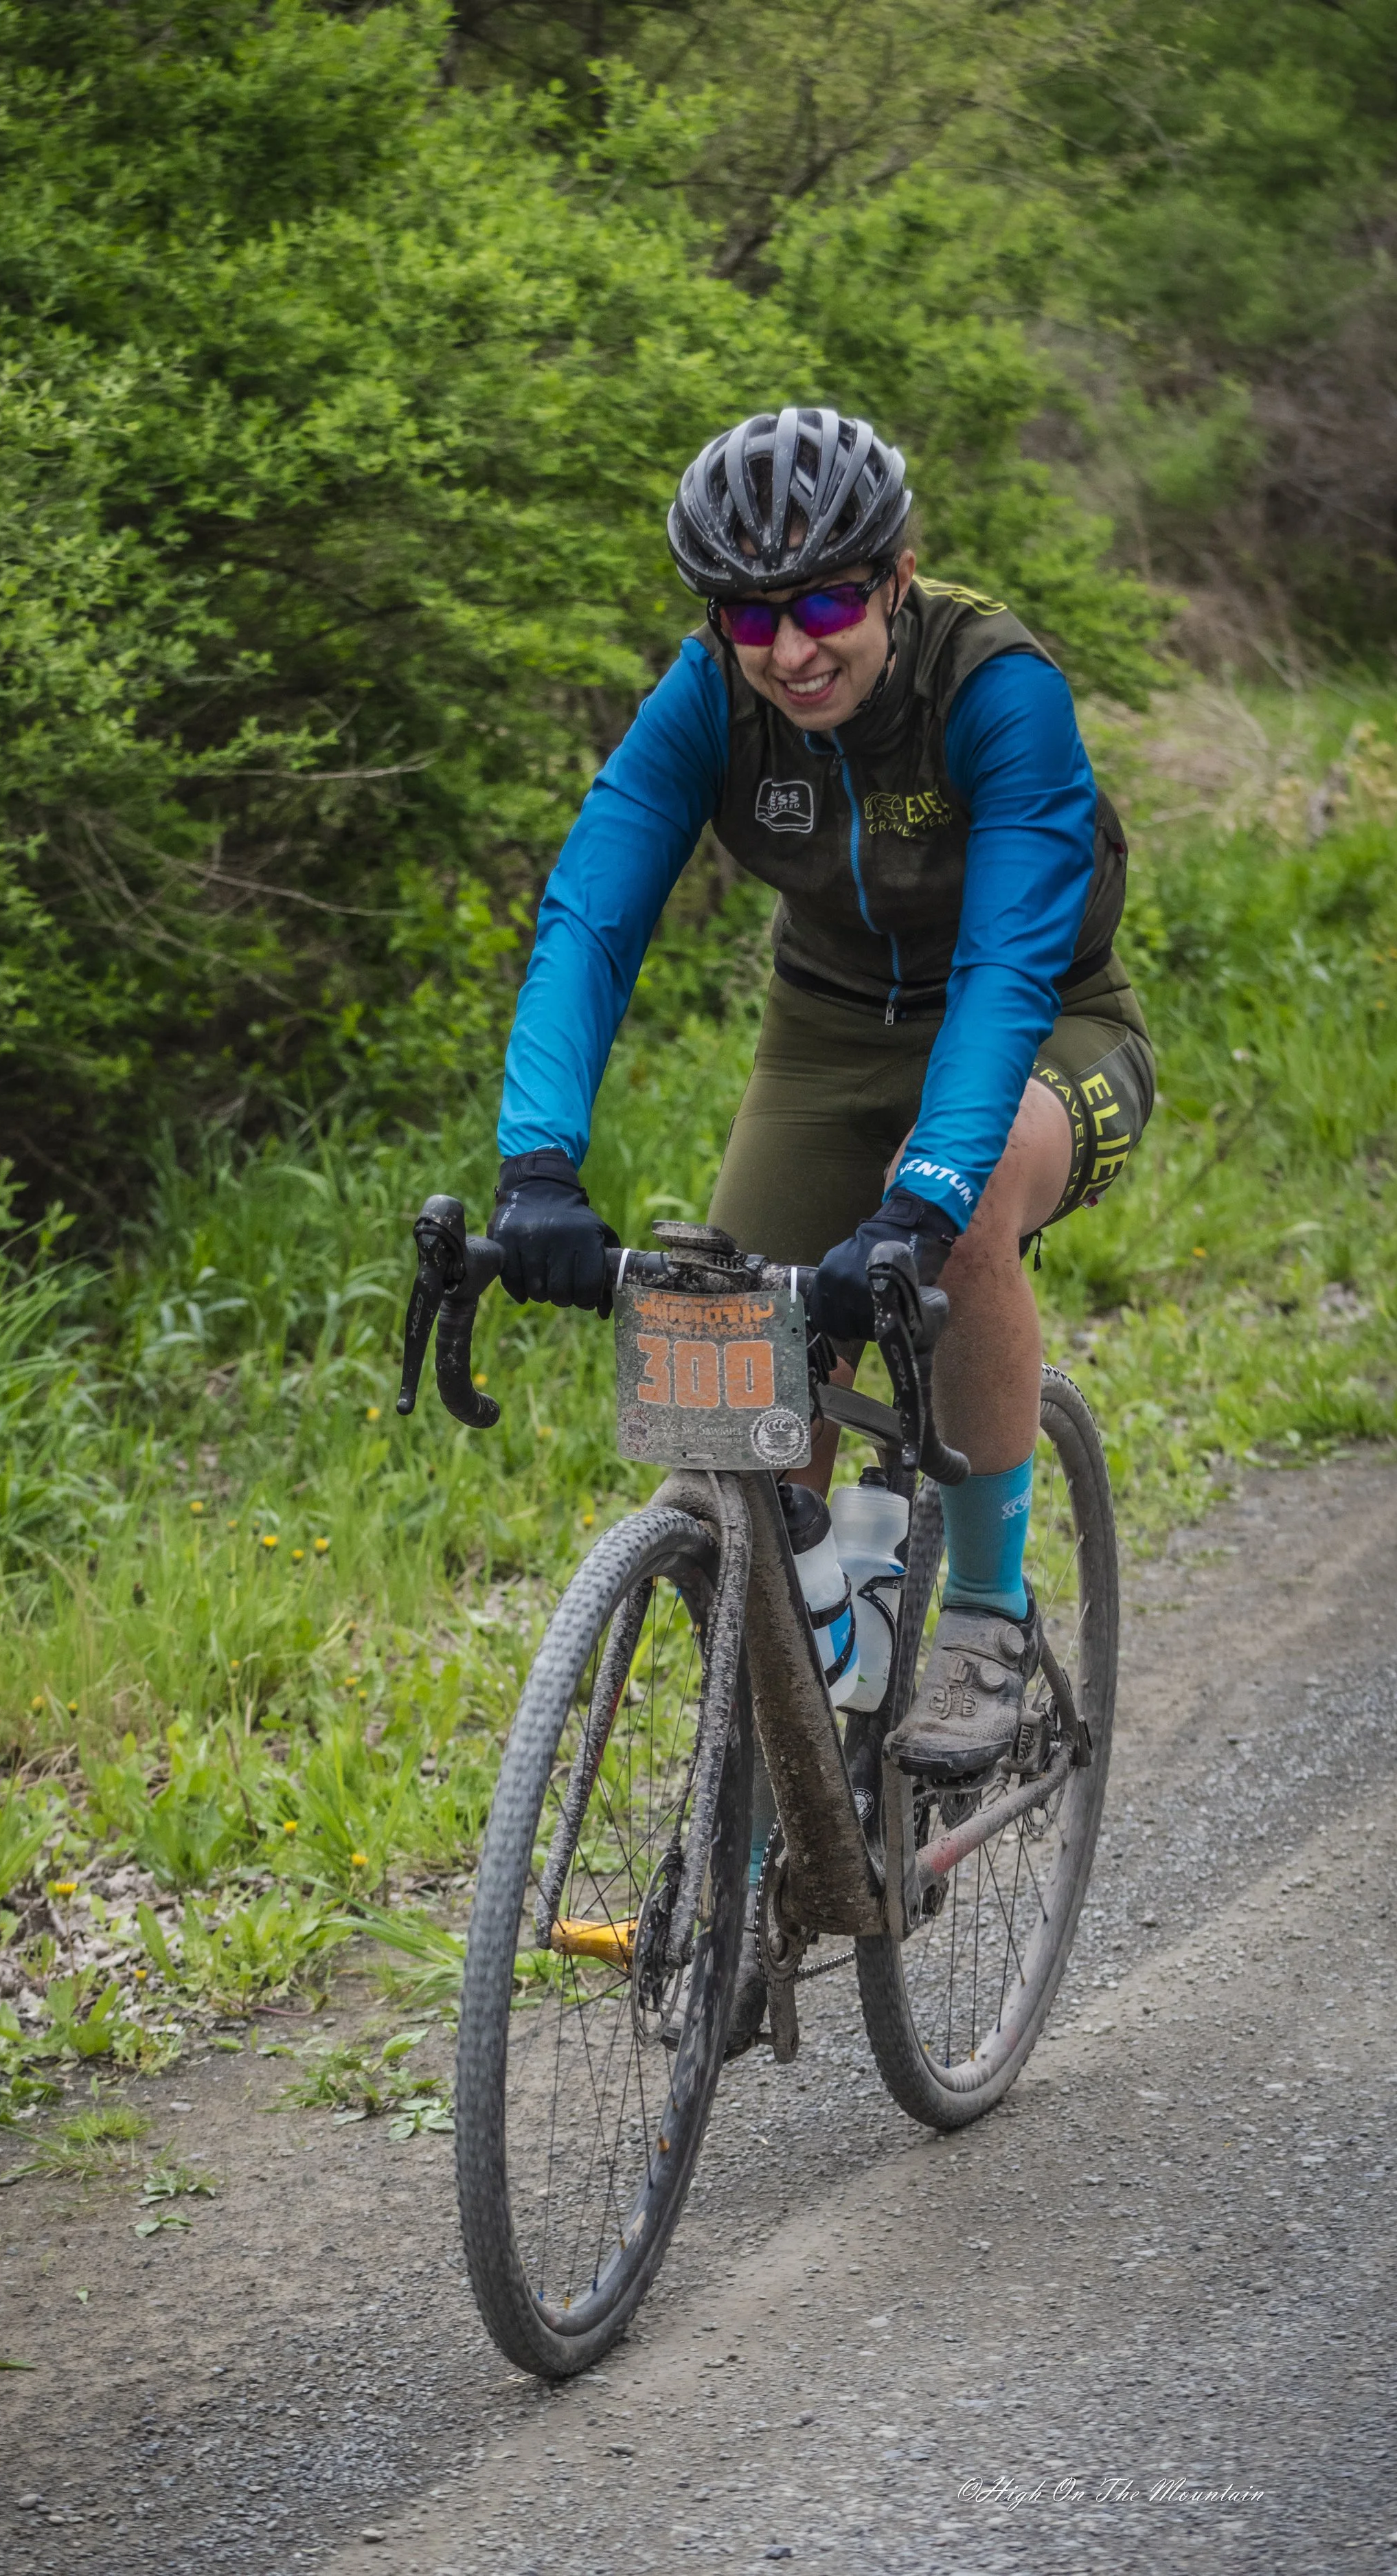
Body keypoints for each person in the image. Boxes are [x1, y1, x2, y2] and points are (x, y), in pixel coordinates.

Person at [490, 406, 1152, 1789]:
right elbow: (591, 919)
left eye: (827, 602)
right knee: (730, 1360)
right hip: (824, 1036)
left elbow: (1005, 963)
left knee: (957, 1235)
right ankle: (796, 1735)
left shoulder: (995, 688)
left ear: (896, 575)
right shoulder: (709, 699)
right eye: (748, 618)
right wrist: (535, 1163)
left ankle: (980, 1610)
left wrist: (920, 1197)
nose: (790, 651)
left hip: (1043, 1028)